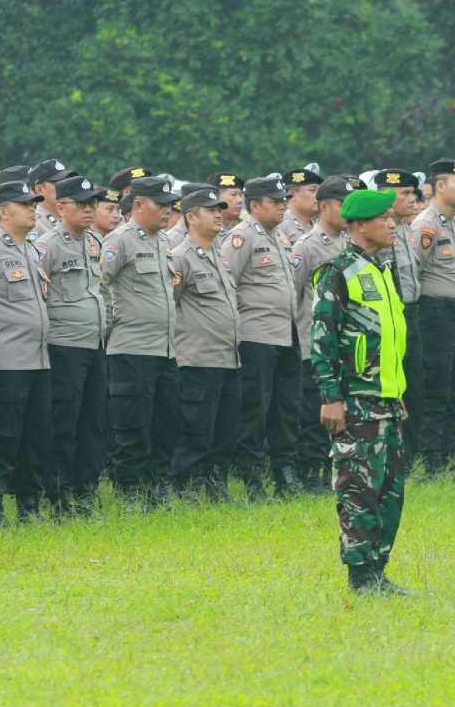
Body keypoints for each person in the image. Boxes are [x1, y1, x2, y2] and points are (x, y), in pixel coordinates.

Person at [312, 188, 408, 596]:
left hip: (388, 403)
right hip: (355, 404)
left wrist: (398, 397)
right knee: (357, 493)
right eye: (384, 217)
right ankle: (360, 576)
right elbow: (322, 339)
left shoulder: (384, 271)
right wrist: (331, 397)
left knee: (390, 494)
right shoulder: (338, 271)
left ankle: (378, 570)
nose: (393, 223)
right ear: (359, 225)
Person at [0, 181, 52, 524]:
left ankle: (29, 504)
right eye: (25, 204)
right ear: (3, 211)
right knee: (3, 436)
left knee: (36, 436)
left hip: (38, 359)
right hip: (5, 360)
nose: (33, 208)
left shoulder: (32, 249)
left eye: (34, 203)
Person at [220, 176, 303, 499]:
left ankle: (284, 470)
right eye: (276, 201)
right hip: (256, 336)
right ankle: (251, 475)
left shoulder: (279, 236)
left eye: (285, 201)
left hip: (285, 332)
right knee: (255, 407)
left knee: (286, 406)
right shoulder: (242, 238)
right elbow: (229, 284)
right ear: (255, 205)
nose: (283, 206)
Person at [99, 176, 180, 499]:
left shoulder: (162, 241)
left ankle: (155, 484)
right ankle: (129, 489)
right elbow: (99, 286)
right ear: (137, 205)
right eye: (160, 205)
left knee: (166, 423)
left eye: (170, 205)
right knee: (131, 426)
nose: (167, 211)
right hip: (131, 349)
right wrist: (110, 327)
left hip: (165, 349)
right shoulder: (119, 240)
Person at [38, 176, 107, 513]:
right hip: (64, 345)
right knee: (64, 423)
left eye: (92, 203)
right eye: (81, 203)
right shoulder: (47, 245)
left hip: (94, 344)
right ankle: (59, 493)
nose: (89, 209)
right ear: (61, 206)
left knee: (92, 423)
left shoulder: (94, 241)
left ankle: (85, 491)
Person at [171, 188, 242, 499]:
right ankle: (186, 485)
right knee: (195, 428)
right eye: (210, 209)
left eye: (219, 209)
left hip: (228, 357)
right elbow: (170, 304)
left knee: (225, 429)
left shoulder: (220, 256)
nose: (218, 214)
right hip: (197, 358)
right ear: (191, 217)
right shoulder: (180, 258)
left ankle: (215, 485)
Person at [291, 176, 353, 492]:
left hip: (345, 344)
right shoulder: (307, 246)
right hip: (313, 343)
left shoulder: (350, 244)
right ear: (324, 206)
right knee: (312, 412)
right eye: (343, 204)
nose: (348, 212)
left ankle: (335, 468)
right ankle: (308, 472)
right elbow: (292, 294)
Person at [411, 158, 455, 474]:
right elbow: (412, 273)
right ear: (439, 186)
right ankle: (433, 458)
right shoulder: (426, 224)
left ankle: (452, 455)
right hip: (436, 315)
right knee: (438, 387)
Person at [373, 169, 423, 468]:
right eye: (403, 193)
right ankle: (391, 453)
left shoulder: (406, 230)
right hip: (385, 321)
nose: (411, 199)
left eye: (411, 193)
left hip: (412, 316)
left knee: (413, 386)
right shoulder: (377, 232)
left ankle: (409, 453)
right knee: (388, 388)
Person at [27, 159, 77, 237]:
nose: (65, 187)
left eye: (67, 181)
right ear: (39, 189)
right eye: (59, 183)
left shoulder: (75, 218)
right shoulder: (35, 225)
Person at [278, 167, 323, 244]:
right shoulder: (281, 224)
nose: (318, 196)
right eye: (312, 190)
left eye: (319, 191)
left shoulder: (318, 226)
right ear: (292, 195)